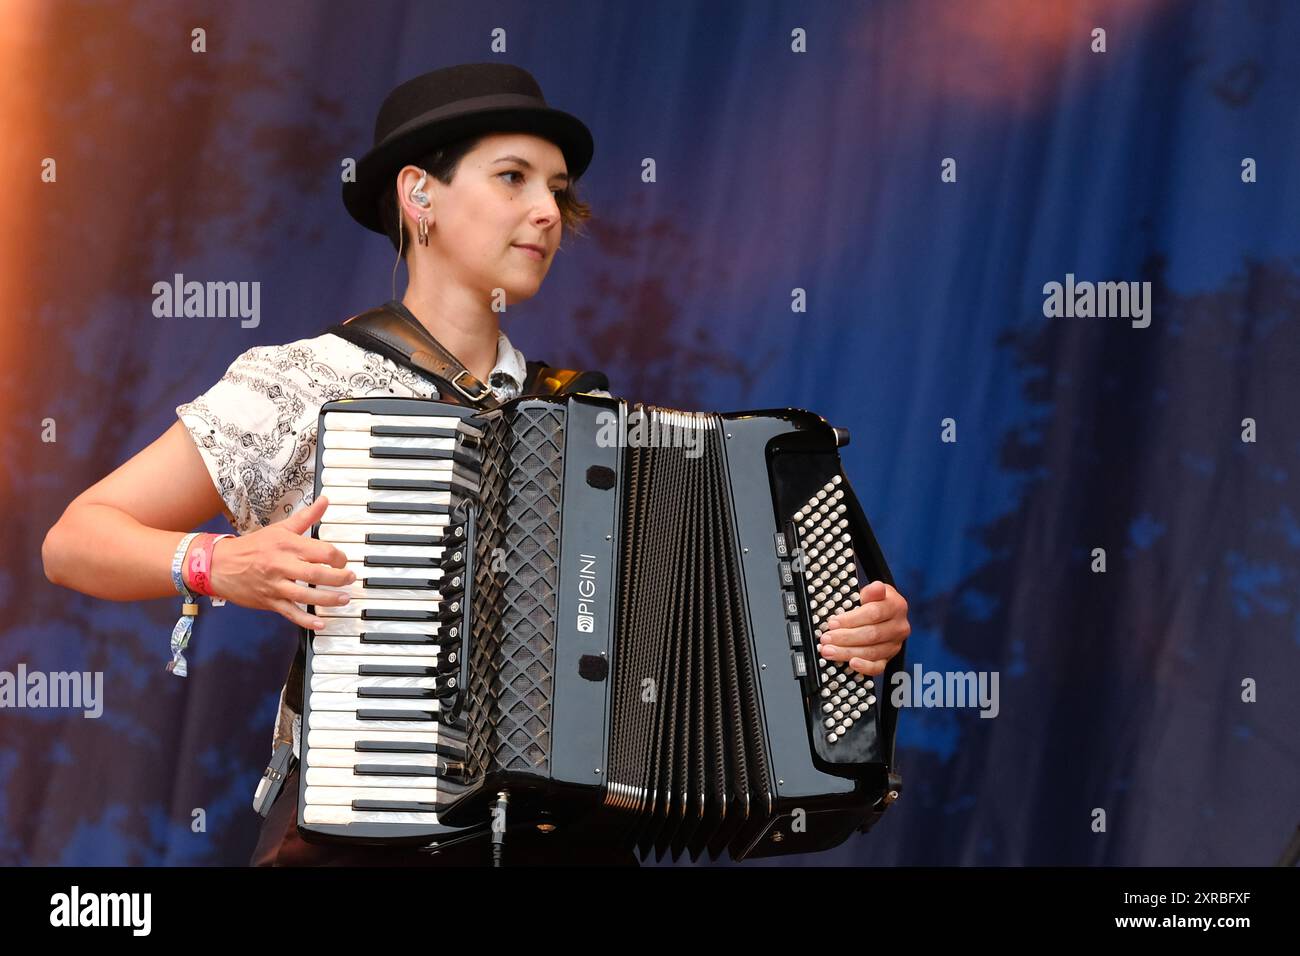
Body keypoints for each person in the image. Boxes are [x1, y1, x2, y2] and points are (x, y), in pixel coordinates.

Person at [42, 63, 913, 866]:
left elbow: (697, 643)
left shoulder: (579, 421)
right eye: (513, 178)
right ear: (419, 194)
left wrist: (836, 635)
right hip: (368, 838)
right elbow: (75, 539)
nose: (547, 212)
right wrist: (216, 562)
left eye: (557, 191)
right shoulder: (307, 379)